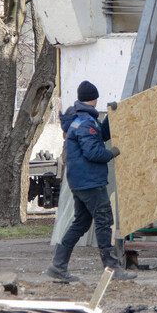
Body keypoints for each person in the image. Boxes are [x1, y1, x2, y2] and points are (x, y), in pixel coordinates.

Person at [47, 80, 136, 282]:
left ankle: (58, 266)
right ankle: (112, 269)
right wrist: (111, 153)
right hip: (90, 182)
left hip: (79, 181)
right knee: (104, 220)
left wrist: (111, 117)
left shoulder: (81, 119)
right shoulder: (86, 122)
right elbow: (93, 151)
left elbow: (100, 136)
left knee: (81, 222)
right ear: (94, 98)